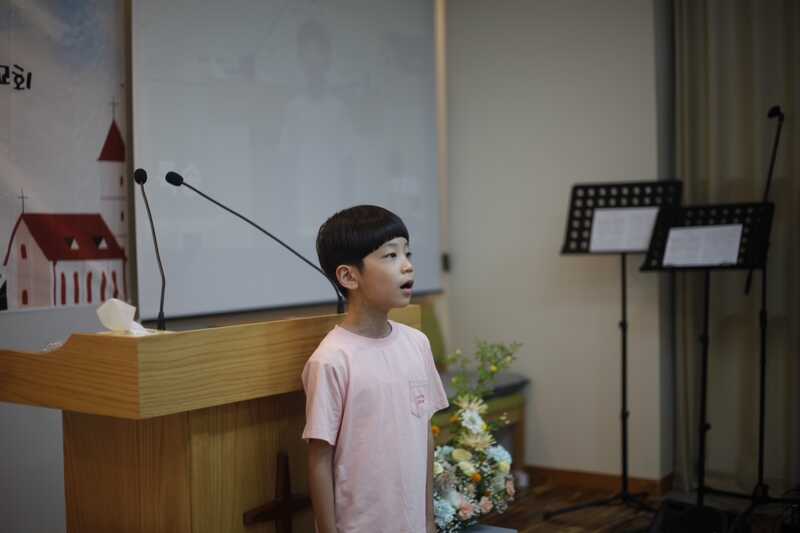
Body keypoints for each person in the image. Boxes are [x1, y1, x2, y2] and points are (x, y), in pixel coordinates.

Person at [302, 205, 449, 533]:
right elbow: (319, 459)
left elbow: (424, 434)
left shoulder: (417, 343)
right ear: (348, 276)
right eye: (391, 255)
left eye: (407, 253)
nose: (407, 265)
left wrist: (427, 518)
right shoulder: (332, 359)